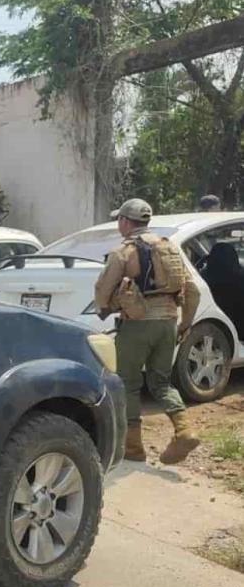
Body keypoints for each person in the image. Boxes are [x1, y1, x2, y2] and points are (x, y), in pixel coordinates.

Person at [94, 198, 202, 465]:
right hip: (168, 322)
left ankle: (133, 447)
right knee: (161, 382)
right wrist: (184, 325)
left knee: (128, 383)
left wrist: (104, 307)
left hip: (137, 325)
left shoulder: (123, 252)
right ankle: (183, 429)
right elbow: (193, 290)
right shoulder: (169, 247)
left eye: (119, 220)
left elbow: (102, 288)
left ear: (125, 222)